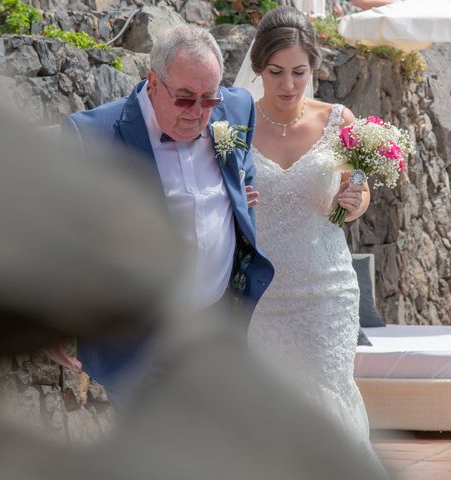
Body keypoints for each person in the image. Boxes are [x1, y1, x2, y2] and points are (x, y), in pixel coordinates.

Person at [62, 24, 274, 407]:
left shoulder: (237, 107)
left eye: (209, 99)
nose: (197, 112)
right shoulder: (93, 135)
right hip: (140, 345)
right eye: (184, 98)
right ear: (153, 83)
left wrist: (242, 198)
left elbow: (243, 176)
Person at [234, 5, 376, 451]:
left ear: (313, 67)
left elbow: (361, 192)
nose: (289, 84)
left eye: (298, 71)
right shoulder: (233, 127)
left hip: (326, 294)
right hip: (261, 297)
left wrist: (351, 205)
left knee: (327, 410)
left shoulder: (340, 123)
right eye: (276, 72)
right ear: (258, 69)